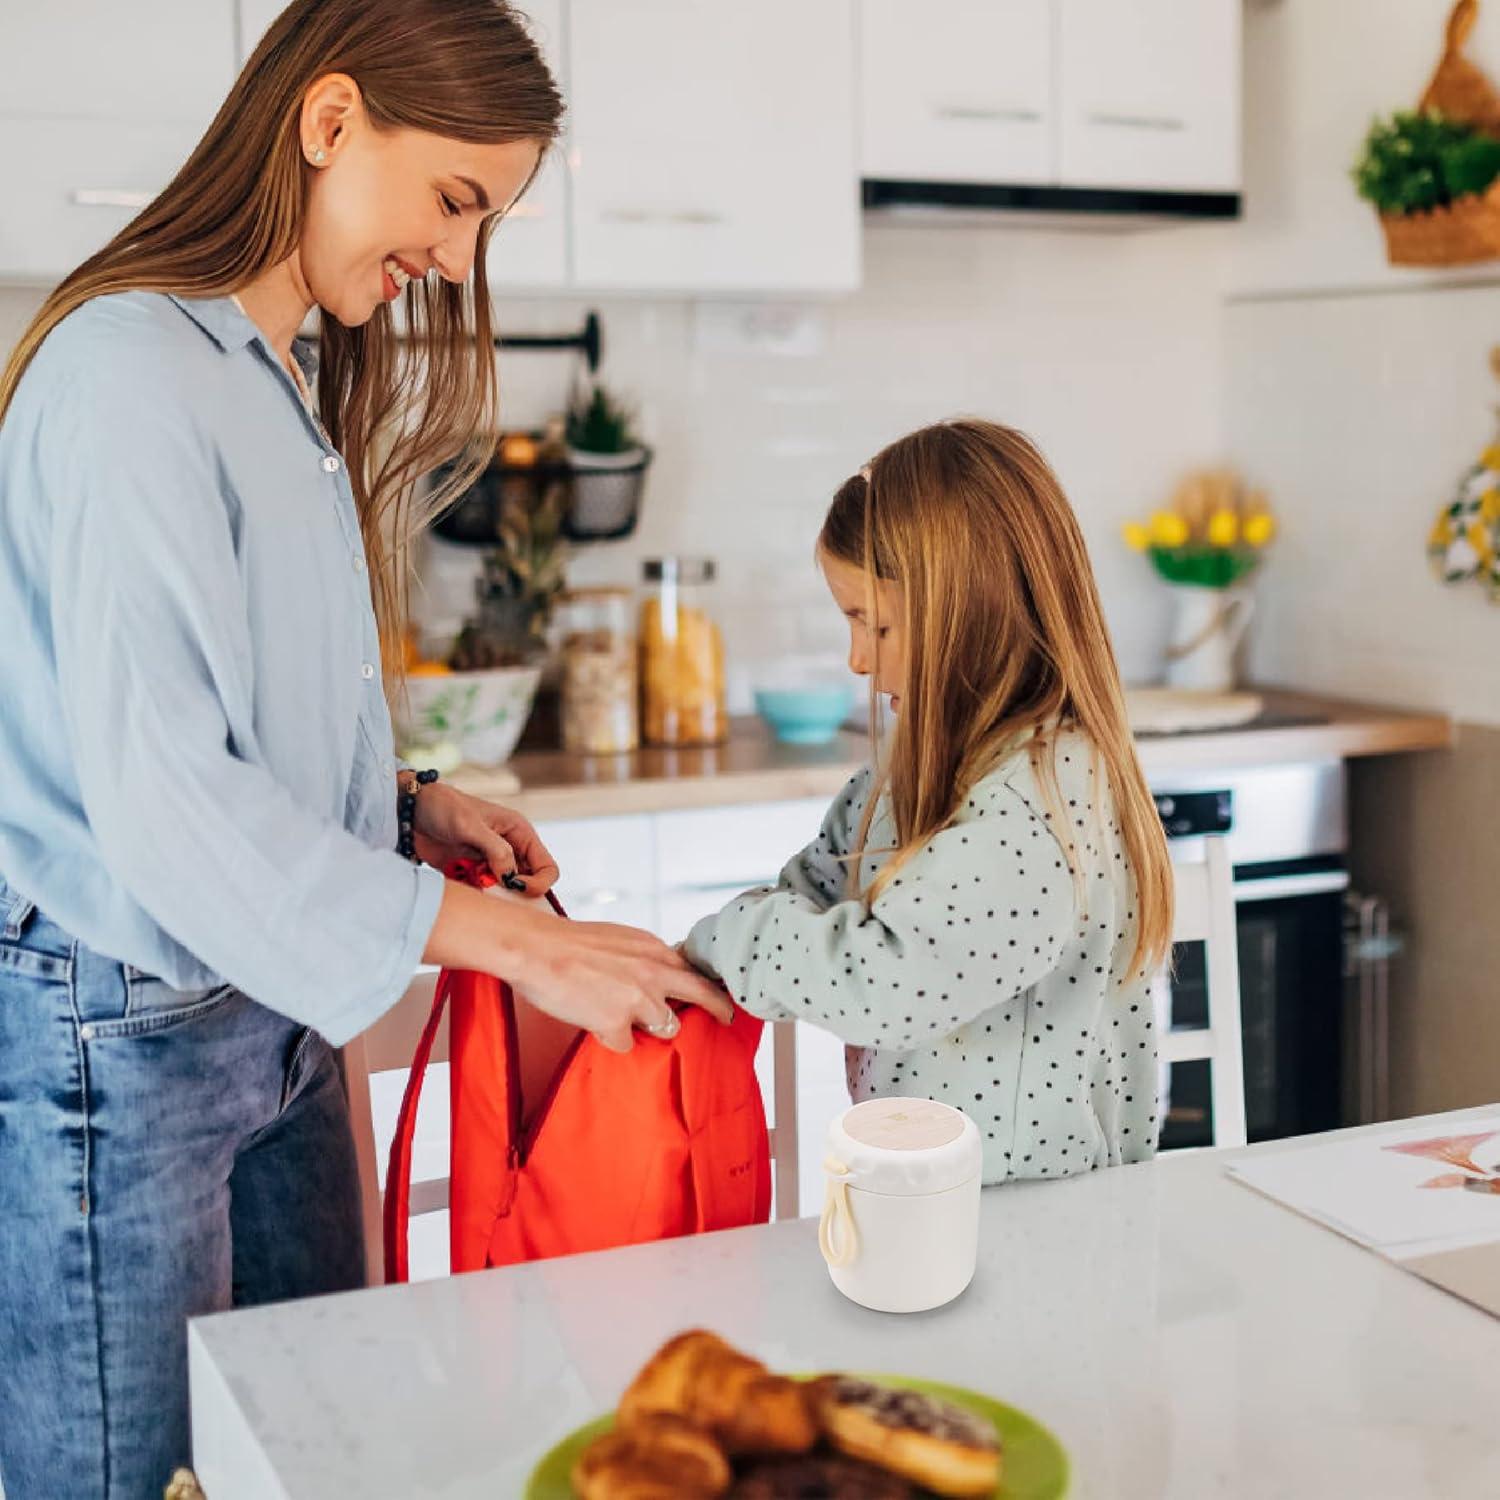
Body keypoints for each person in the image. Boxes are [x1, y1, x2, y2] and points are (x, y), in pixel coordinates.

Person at [0, 3, 729, 1495]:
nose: (459, 260)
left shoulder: (273, 377)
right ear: (329, 121)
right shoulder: (128, 371)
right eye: (457, 201)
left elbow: (222, 714)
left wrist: (399, 807)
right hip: (119, 1042)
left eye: (488, 222)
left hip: (263, 1020)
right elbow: (163, 800)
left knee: (319, 1455)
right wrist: (512, 949)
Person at [684, 419, 1174, 1185]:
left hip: (1035, 1231)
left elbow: (887, 983)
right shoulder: (925, 763)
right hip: (939, 1206)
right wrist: (724, 943)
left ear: (970, 616)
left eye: (874, 625)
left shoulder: (1036, 799)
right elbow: (822, 880)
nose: (856, 659)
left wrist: (727, 941)